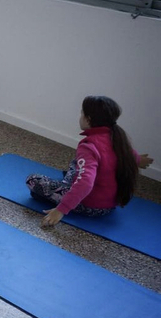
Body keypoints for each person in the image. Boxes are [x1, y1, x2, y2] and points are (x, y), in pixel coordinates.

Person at [26, 96, 153, 227]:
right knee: (76, 163)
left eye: (82, 113)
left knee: (32, 180)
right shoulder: (116, 137)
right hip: (110, 205)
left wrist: (61, 210)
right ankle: (69, 184)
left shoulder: (89, 146)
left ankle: (66, 193)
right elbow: (126, 155)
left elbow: (85, 183)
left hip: (90, 206)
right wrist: (139, 160)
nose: (80, 117)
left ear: (88, 119)